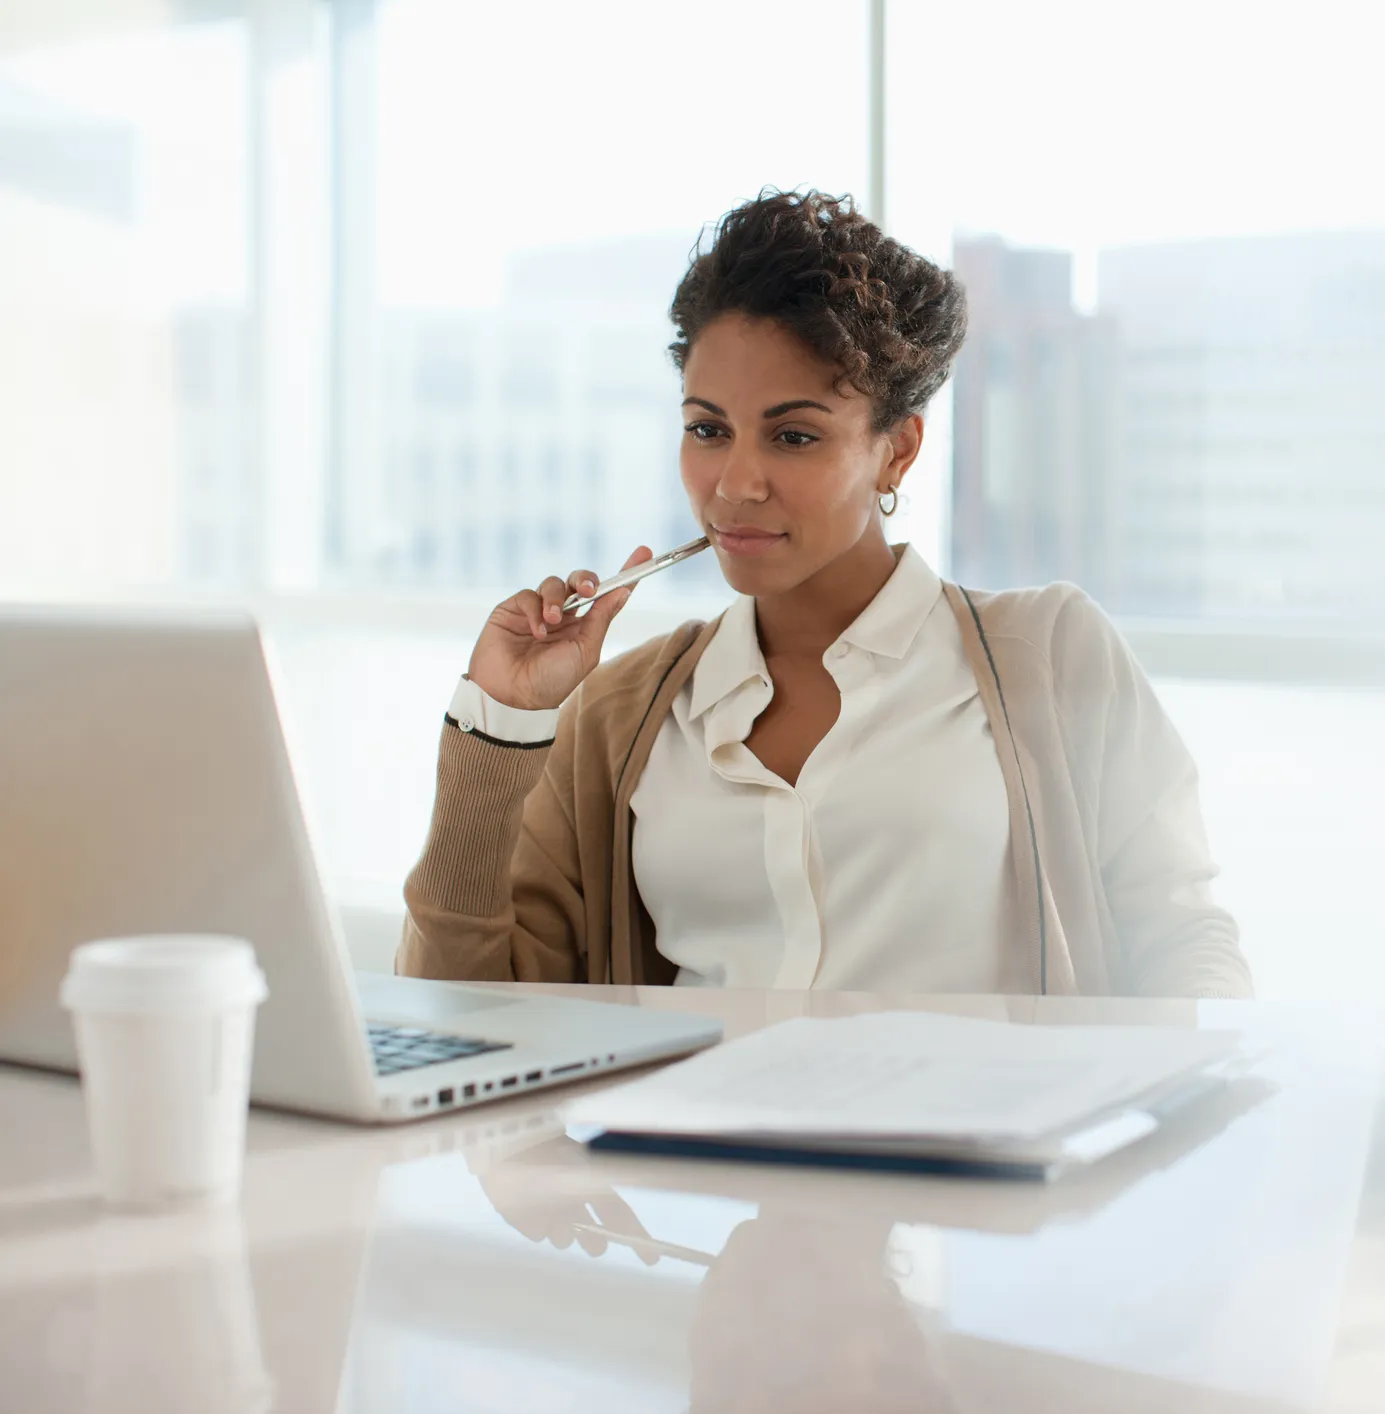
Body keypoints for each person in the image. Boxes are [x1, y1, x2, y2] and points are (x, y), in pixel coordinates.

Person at [396, 189, 1250, 998]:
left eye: (793, 436)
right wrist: (502, 721)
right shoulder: (621, 715)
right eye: (707, 430)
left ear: (896, 451)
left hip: (966, 1149)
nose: (734, 485)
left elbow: (1182, 944)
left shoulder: (1050, 654)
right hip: (685, 1154)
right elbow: (466, 1018)